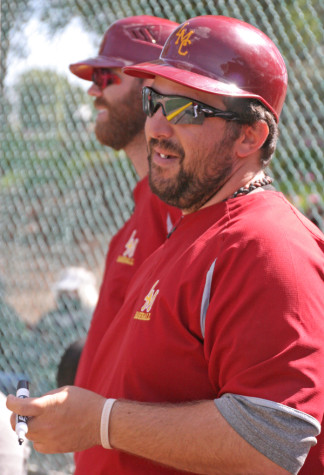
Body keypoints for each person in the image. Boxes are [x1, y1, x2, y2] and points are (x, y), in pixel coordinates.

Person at [7, 15, 324, 475]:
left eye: (186, 110)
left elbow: (272, 442)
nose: (155, 125)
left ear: (250, 135)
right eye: (155, 101)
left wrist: (102, 423)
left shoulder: (270, 246)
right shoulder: (197, 229)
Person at [68, 15, 181, 389]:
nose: (92, 91)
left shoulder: (179, 206)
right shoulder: (145, 209)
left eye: (105, 77)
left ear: (152, 84)